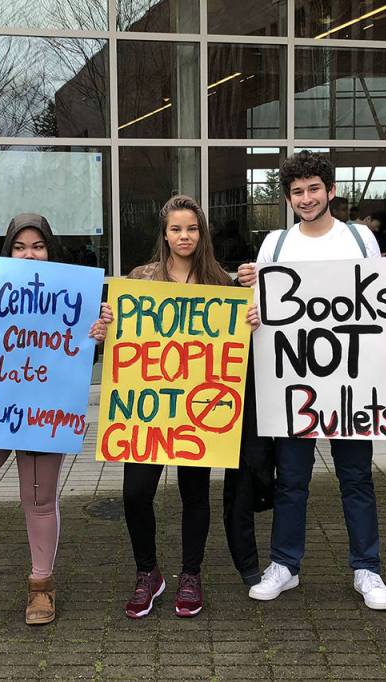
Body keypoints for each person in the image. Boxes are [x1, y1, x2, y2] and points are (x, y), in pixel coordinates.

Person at [235, 151, 386, 609]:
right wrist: (249, 307)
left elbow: (379, 301)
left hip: (353, 383)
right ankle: (285, 564)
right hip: (293, 382)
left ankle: (367, 568)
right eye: (297, 191)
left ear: (331, 191)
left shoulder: (358, 238)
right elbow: (260, 312)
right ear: (287, 198)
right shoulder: (275, 246)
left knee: (356, 478)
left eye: (314, 188)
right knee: (290, 480)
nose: (306, 198)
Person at [0, 213, 110, 627]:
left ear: (50, 250)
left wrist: (98, 336)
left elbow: (78, 358)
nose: (29, 254)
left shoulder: (70, 297)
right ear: (7, 251)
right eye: (19, 246)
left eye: (38, 246)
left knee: (40, 500)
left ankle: (41, 584)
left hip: (42, 414)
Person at [116, 194, 247, 619]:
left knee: (195, 494)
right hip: (148, 409)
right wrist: (109, 322)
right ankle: (147, 572)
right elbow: (123, 336)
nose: (184, 236)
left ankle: (191, 574)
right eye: (176, 229)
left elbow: (234, 344)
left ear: (202, 233)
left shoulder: (221, 283)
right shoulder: (141, 278)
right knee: (135, 493)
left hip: (197, 410)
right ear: (165, 233)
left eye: (191, 228)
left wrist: (250, 322)